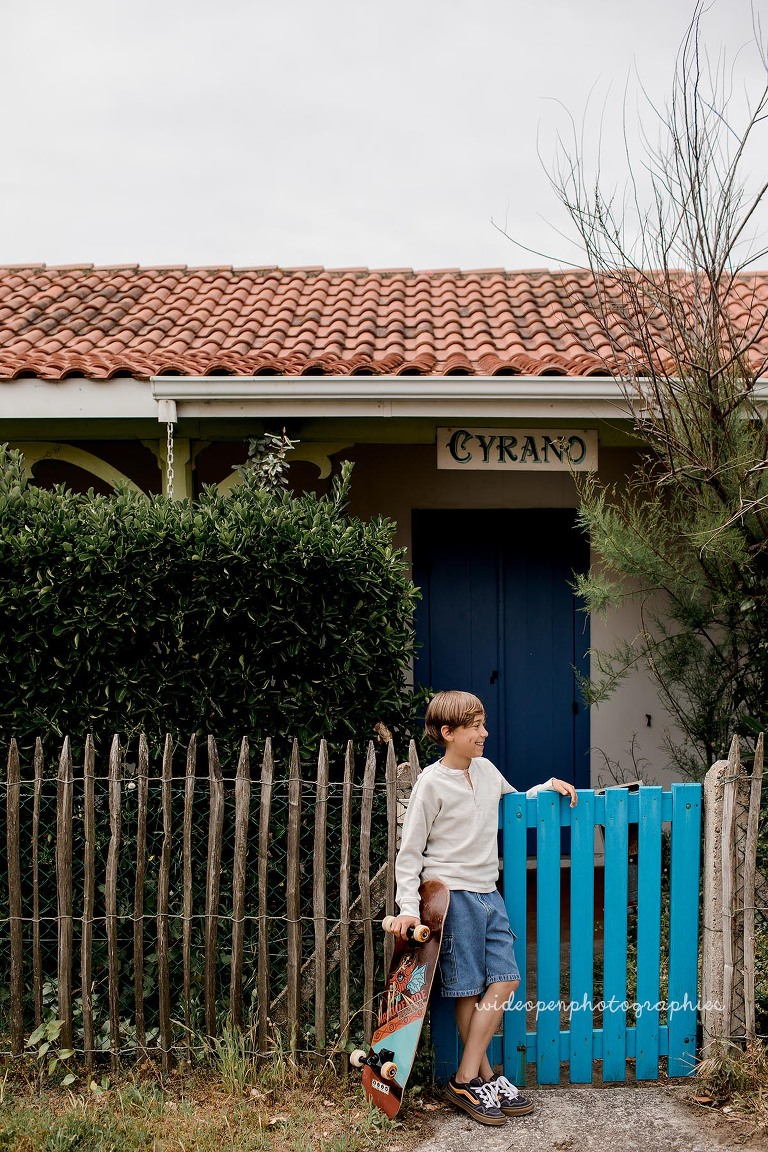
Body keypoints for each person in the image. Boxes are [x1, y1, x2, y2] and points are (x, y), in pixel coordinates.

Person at [389, 689, 578, 1126]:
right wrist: (408, 908)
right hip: (451, 898)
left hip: (489, 894)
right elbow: (410, 852)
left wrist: (546, 788)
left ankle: (469, 1078)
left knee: (506, 980)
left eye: (483, 724)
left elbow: (515, 805)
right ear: (447, 732)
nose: (484, 733)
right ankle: (478, 1081)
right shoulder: (431, 783)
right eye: (475, 727)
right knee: (468, 988)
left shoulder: (487, 770)